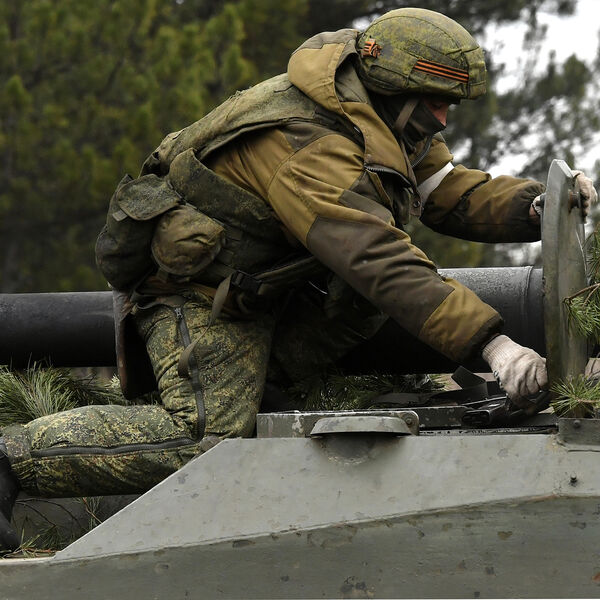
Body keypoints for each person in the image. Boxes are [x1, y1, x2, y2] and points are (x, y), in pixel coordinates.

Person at [0, 7, 595, 551]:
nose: (441, 118)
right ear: (394, 87)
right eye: (433, 103)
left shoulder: (379, 113)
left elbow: (442, 189)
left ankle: (275, 390)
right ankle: (11, 458)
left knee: (356, 312)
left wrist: (535, 206)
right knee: (208, 438)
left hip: (271, 289)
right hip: (200, 297)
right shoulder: (305, 141)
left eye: (448, 105)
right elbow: (378, 258)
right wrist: (495, 346)